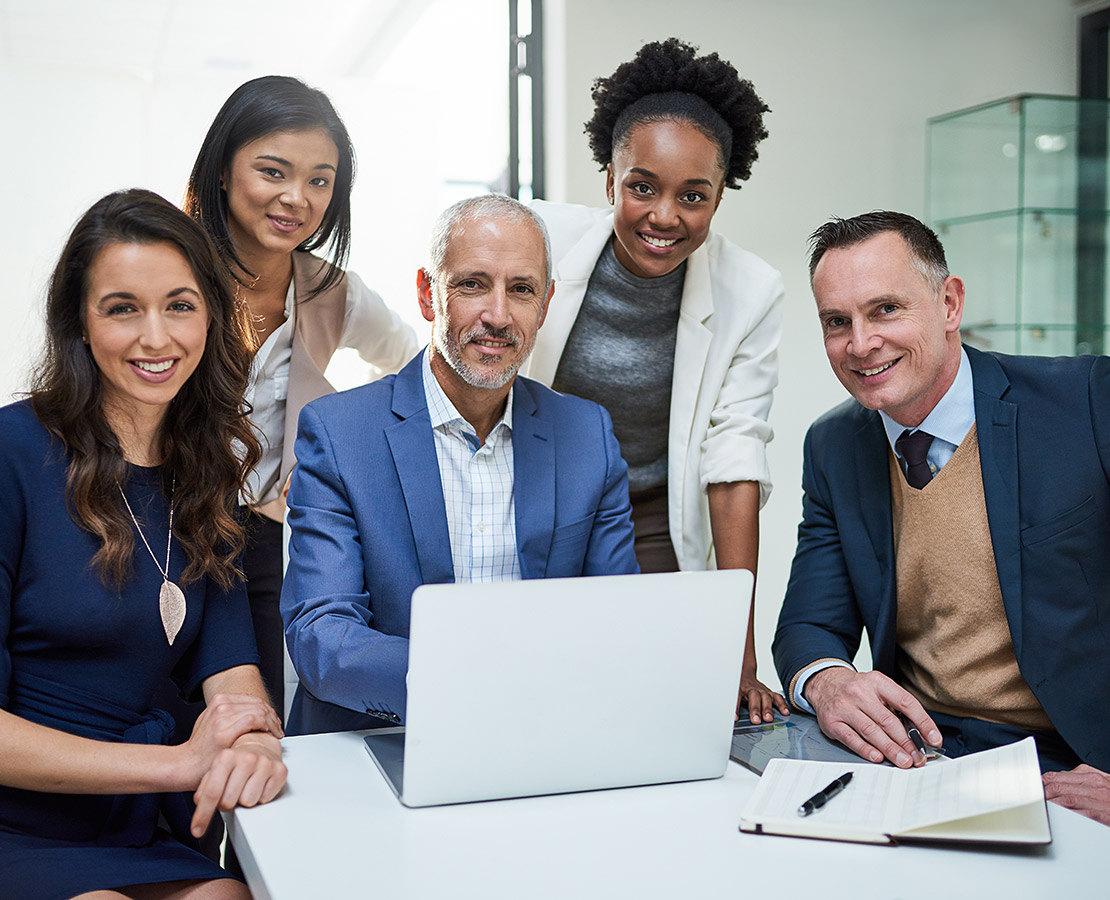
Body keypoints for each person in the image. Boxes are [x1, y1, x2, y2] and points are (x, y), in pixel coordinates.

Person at [772, 209, 1110, 826]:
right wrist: (827, 682)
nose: (861, 343)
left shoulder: (1087, 402)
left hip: (1074, 763)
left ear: (949, 303)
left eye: (885, 310)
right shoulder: (832, 445)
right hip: (918, 757)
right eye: (836, 322)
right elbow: (808, 624)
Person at [0, 189, 288, 899]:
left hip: (140, 827)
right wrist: (182, 767)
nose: (156, 338)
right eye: (123, 307)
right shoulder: (11, 454)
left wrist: (251, 745)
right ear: (80, 323)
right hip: (15, 824)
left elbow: (233, 674)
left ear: (211, 316)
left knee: (240, 894)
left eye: (180, 305)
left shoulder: (206, 472)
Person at [281, 194, 639, 735]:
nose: (497, 316)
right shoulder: (338, 434)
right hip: (384, 739)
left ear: (544, 306)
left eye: (521, 290)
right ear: (428, 295)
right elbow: (323, 639)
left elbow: (616, 621)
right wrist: (476, 682)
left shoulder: (588, 436)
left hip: (543, 737)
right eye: (472, 284)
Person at [526, 39, 787, 723]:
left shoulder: (751, 291)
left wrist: (741, 649)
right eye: (642, 186)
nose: (664, 215)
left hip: (649, 532)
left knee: (649, 718)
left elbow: (734, 463)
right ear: (610, 180)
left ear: (719, 197)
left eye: (692, 196)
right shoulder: (539, 239)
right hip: (528, 513)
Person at [184, 75, 419, 718]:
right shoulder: (170, 266)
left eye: (320, 180)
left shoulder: (330, 290)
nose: (298, 198)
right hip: (161, 526)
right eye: (273, 171)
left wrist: (338, 455)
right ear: (224, 170)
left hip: (259, 542)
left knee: (259, 726)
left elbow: (416, 369)